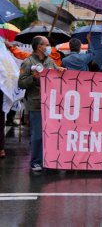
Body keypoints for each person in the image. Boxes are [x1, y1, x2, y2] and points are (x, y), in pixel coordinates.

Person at [18, 36, 64, 172]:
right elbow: (20, 83)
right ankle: (36, 162)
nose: (50, 47)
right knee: (37, 135)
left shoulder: (50, 61)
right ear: (39, 47)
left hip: (52, 104)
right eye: (47, 44)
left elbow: (56, 74)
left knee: (52, 133)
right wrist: (33, 78)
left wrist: (60, 71)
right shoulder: (28, 62)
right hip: (36, 103)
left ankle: (48, 160)